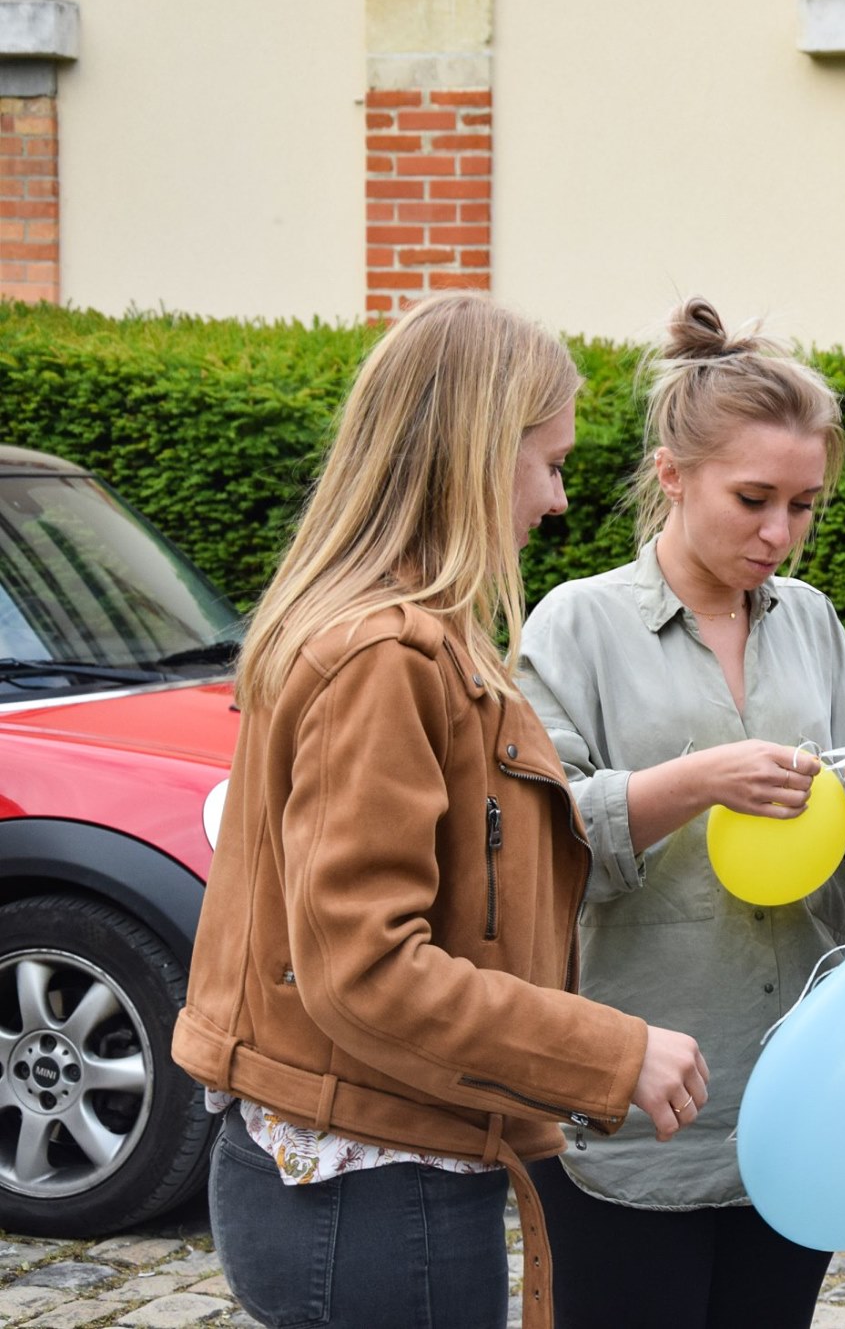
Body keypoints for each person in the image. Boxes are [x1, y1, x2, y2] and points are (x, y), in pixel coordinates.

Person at [171, 292, 711, 1329]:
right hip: (373, 1190)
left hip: (365, 1172)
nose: (555, 502)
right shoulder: (382, 655)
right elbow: (365, 966)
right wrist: (612, 1052)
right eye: (548, 464)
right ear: (475, 453)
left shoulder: (385, 636)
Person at [515, 296, 845, 1329]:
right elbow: (533, 840)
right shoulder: (576, 623)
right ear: (670, 474)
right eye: (753, 498)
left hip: (800, 1091)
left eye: (803, 505)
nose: (779, 533)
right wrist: (699, 782)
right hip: (637, 1108)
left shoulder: (812, 622)